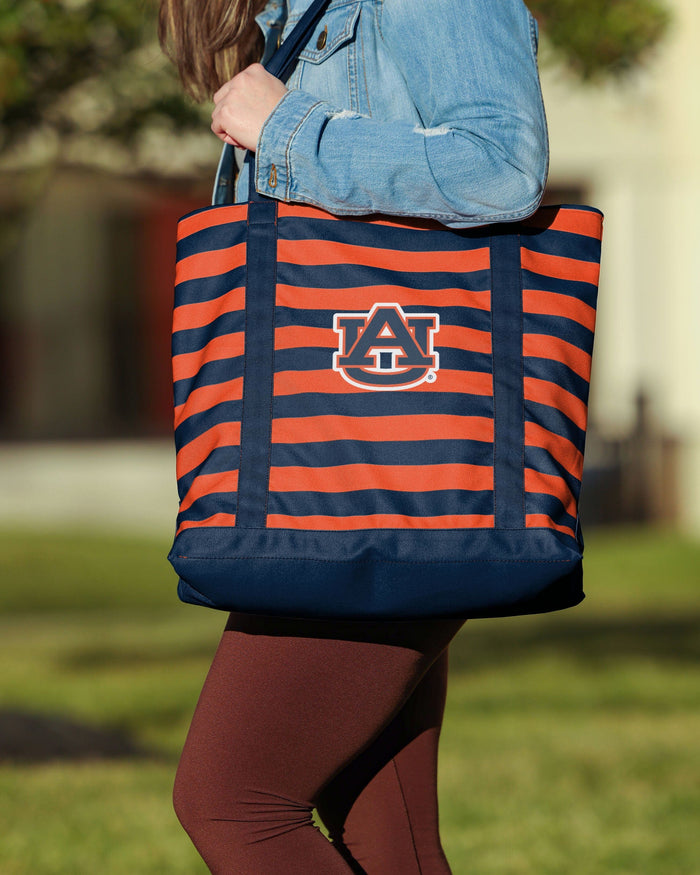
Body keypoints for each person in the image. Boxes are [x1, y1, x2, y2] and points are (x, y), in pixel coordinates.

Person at [159, 1, 548, 872]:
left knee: (234, 802)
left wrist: (284, 127)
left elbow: (502, 168)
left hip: (378, 471)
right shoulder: (293, 15)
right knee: (387, 831)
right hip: (356, 469)